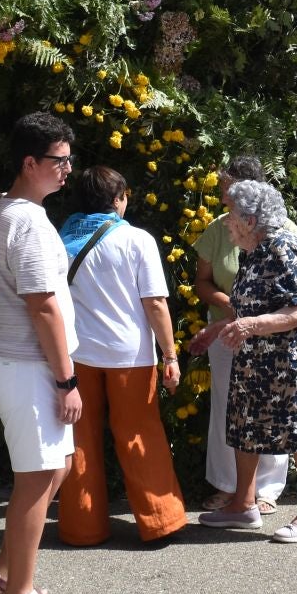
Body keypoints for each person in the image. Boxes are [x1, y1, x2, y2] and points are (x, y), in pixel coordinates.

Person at [0, 110, 83, 594]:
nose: (67, 170)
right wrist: (67, 379)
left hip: (20, 362)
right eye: (59, 162)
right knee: (38, 478)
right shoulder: (27, 221)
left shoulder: (9, 212)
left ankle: (6, 573)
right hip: (28, 364)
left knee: (54, 468)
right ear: (29, 162)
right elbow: (42, 304)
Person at [197, 180, 297, 543]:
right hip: (259, 357)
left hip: (292, 359)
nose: (226, 221)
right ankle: (243, 506)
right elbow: (256, 303)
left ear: (250, 218)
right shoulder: (255, 249)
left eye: (230, 214)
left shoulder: (280, 247)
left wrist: (250, 325)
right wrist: (221, 329)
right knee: (246, 424)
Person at [58, 165, 189, 546]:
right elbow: (156, 303)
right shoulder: (136, 240)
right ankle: (160, 522)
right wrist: (170, 355)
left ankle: (81, 527)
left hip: (76, 352)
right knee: (138, 435)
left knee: (79, 437)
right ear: (117, 200)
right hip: (129, 354)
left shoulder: (60, 238)